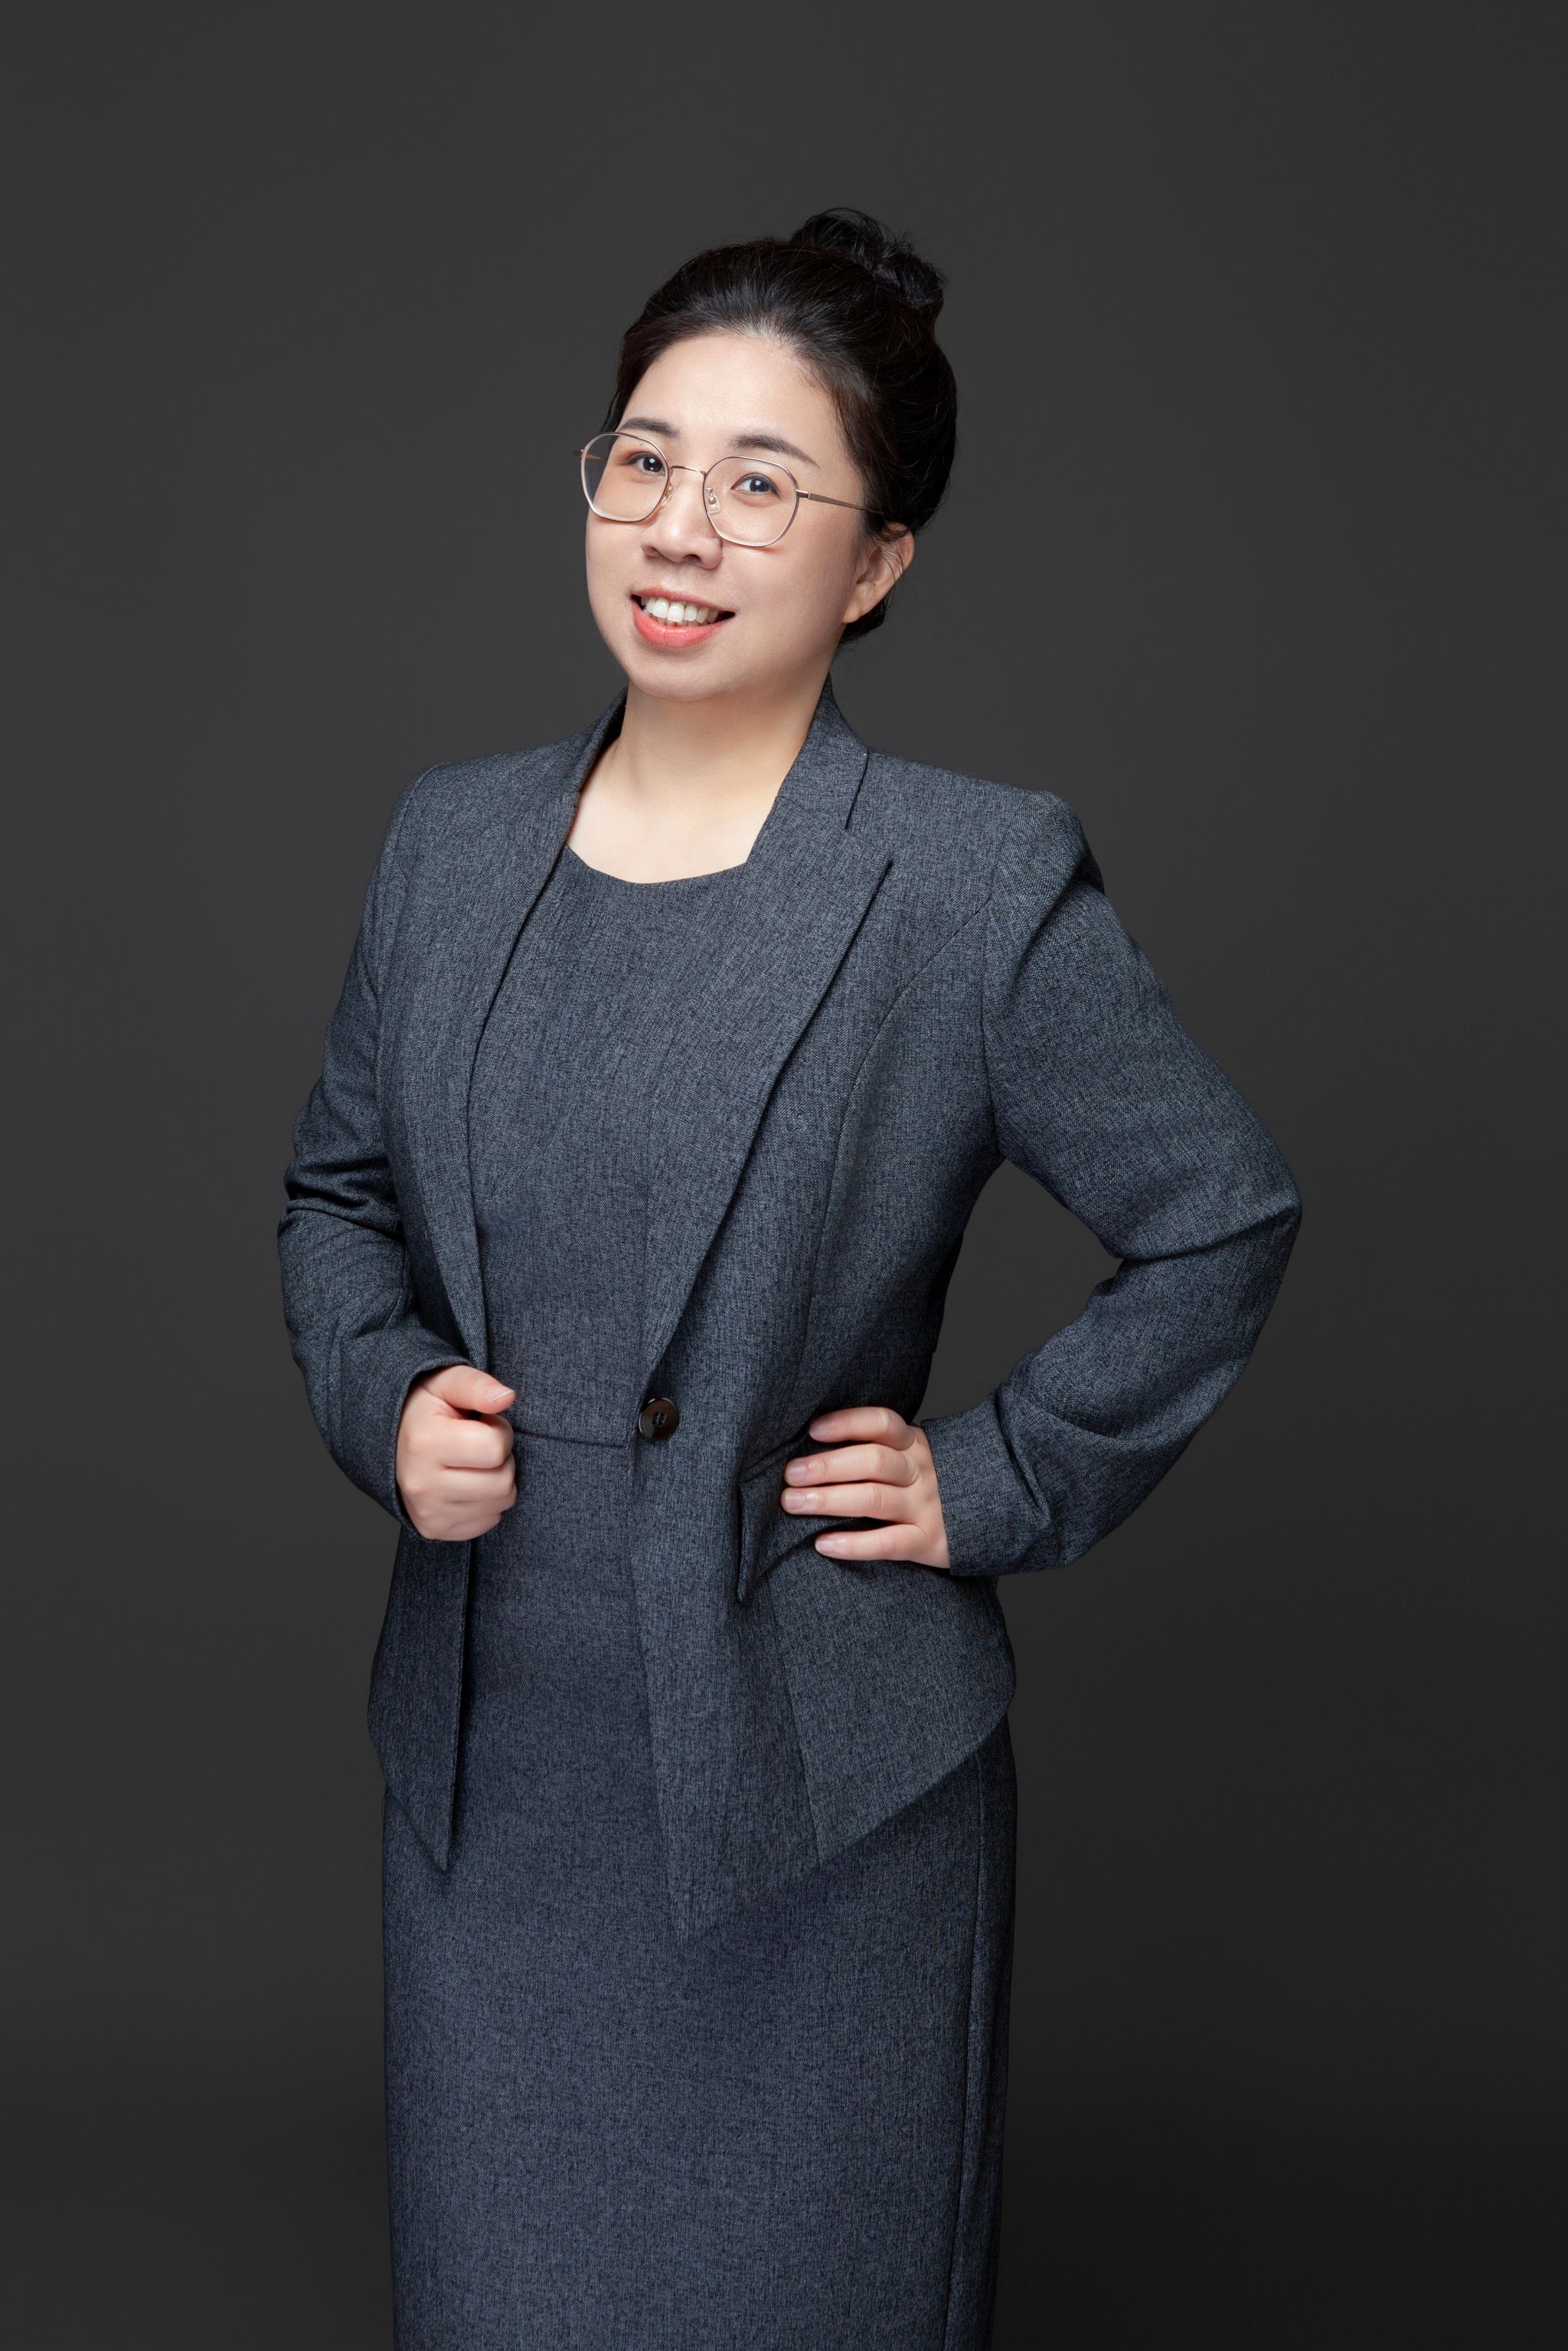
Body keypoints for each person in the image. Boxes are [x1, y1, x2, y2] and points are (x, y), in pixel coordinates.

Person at [277, 207, 1301, 2350]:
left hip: (818, 1801)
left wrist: (995, 1476)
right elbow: (335, 1199)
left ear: (877, 562)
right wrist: (382, 1393)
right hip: (492, 1791)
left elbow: (1218, 1210)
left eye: (763, 483)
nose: (681, 527)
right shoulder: (450, 845)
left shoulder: (965, 884)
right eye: (646, 461)